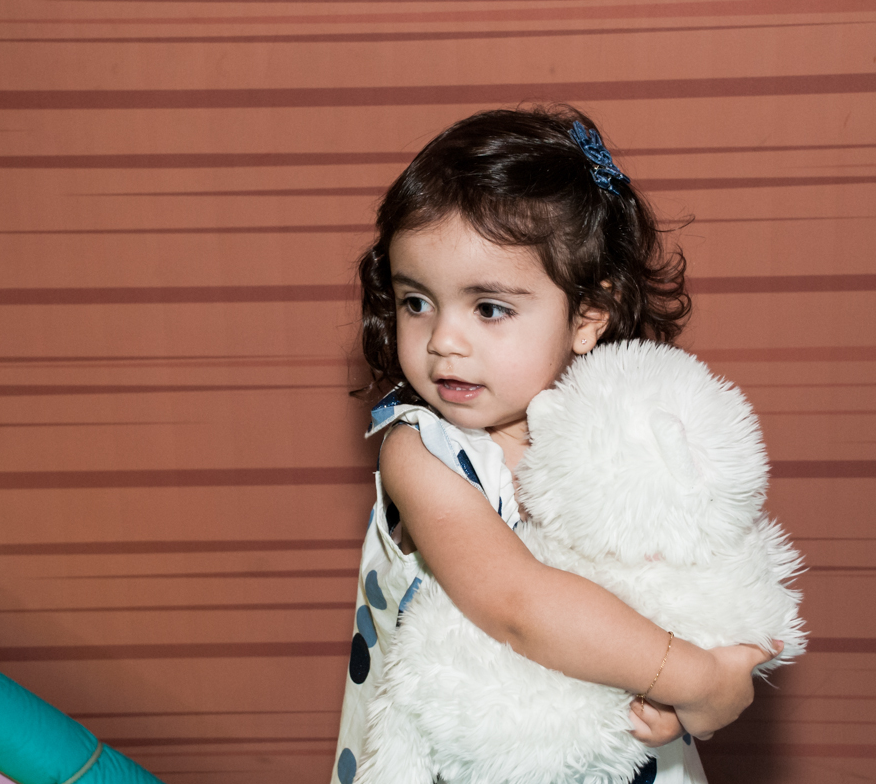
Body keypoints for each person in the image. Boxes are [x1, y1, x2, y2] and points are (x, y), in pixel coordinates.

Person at [332, 105, 779, 784]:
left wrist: (717, 672)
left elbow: (699, 556)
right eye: (416, 301)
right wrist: (691, 676)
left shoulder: (617, 424)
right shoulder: (421, 449)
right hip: (454, 757)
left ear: (589, 314)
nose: (443, 339)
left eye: (488, 307)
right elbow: (519, 604)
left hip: (605, 750)